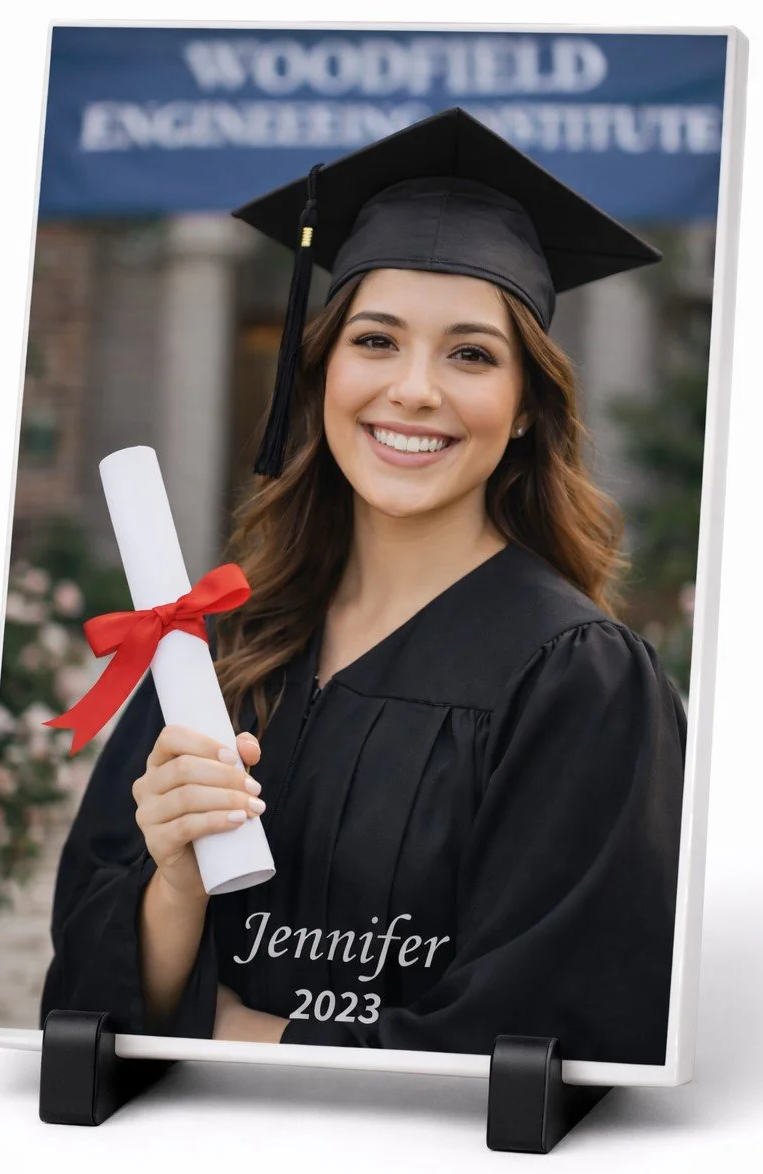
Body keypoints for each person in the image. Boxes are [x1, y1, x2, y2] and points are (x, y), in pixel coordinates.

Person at [41, 107, 686, 1066]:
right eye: (375, 340)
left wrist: (240, 1034)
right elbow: (82, 990)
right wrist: (174, 880)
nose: (415, 389)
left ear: (522, 410)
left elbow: (555, 1025)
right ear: (322, 371)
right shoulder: (217, 647)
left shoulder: (581, 685)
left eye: (470, 354)